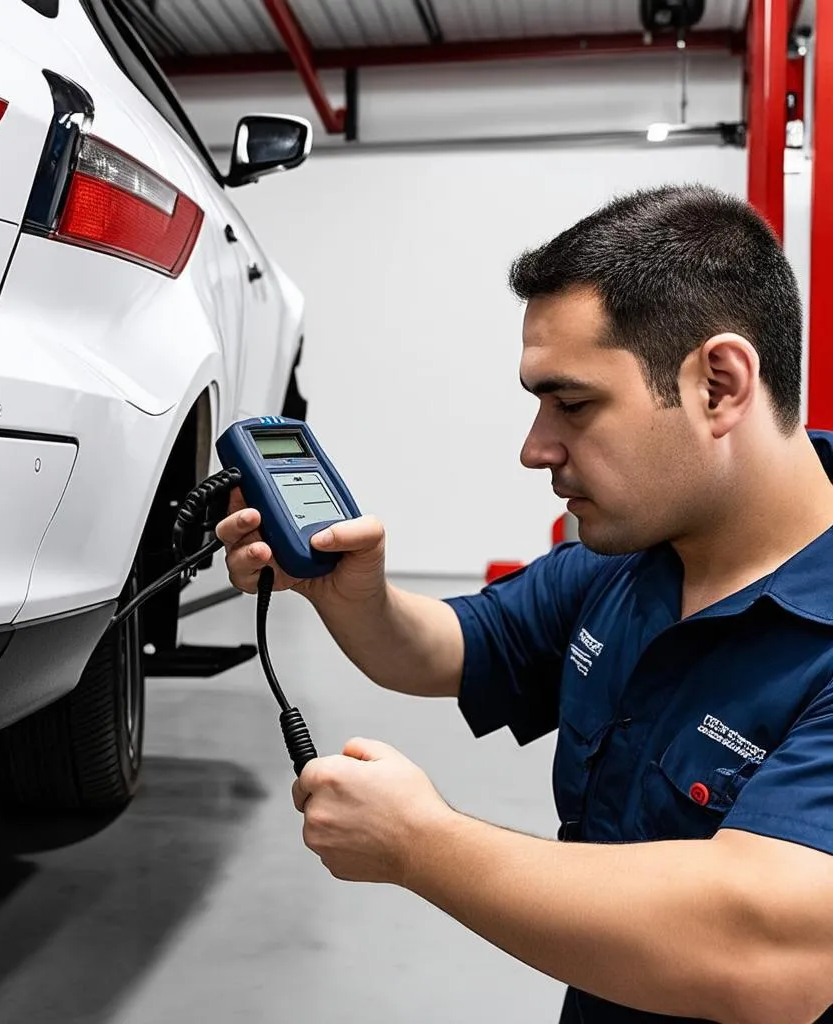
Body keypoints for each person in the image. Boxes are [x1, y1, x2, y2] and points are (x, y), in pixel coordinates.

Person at [215, 184, 833, 1024]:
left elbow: (768, 951)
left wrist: (419, 843)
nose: (535, 448)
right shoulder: (627, 562)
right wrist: (351, 595)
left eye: (572, 404)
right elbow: (452, 647)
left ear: (719, 385)